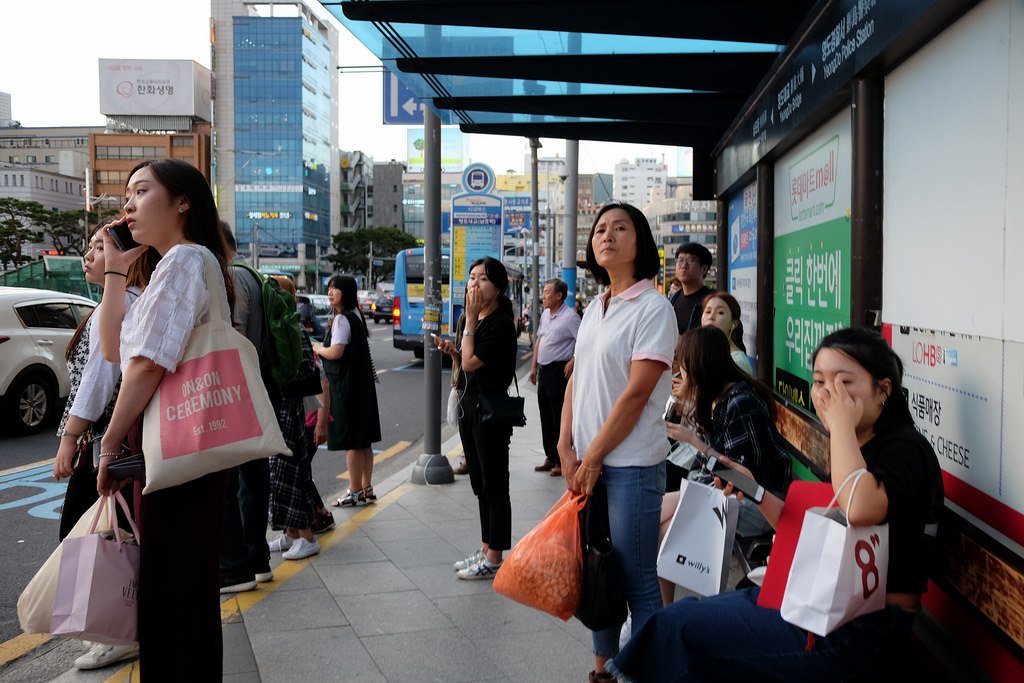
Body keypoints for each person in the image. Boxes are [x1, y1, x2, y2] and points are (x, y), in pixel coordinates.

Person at [609, 327, 945, 682]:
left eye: (845, 382)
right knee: (678, 624)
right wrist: (754, 490)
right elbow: (809, 528)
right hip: (818, 603)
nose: (829, 393)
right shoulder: (858, 444)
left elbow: (861, 508)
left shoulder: (904, 449)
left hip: (862, 631)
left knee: (681, 630)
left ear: (883, 390)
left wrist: (842, 427)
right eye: (819, 381)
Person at [95, 158, 238, 679]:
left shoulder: (184, 261)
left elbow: (147, 366)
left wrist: (109, 444)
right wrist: (115, 268)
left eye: (141, 191)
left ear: (183, 201)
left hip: (177, 448)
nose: (128, 204)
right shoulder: (174, 266)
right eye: (125, 195)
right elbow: (113, 348)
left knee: (173, 598)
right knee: (179, 592)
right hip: (176, 448)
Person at [556, 202, 676, 682]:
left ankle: (643, 672)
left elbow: (635, 396)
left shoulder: (653, 308)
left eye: (620, 228)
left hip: (630, 467)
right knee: (597, 571)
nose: (606, 235)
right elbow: (576, 380)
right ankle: (603, 670)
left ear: (639, 241)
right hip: (590, 464)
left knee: (638, 582)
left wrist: (595, 456)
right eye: (600, 229)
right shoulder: (595, 308)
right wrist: (565, 447)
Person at [52, 227, 155, 671]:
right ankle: (116, 628)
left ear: (128, 256)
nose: (89, 255)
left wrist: (71, 438)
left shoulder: (122, 303)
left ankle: (119, 631)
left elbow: (99, 379)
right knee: (109, 535)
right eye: (89, 247)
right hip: (114, 437)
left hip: (106, 440)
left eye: (101, 246)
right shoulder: (121, 302)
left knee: (96, 538)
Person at [659, 325, 791, 605]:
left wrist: (694, 440)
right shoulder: (722, 396)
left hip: (761, 504)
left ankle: (659, 614)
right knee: (657, 521)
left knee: (660, 525)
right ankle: (658, 613)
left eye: (684, 365)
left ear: (700, 366)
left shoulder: (741, 403)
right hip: (735, 495)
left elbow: (738, 478)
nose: (680, 373)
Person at [434, 257, 518, 580]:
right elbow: (465, 362)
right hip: (471, 406)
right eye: (471, 278)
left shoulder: (498, 322)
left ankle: (495, 556)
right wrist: (453, 352)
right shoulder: (476, 320)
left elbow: (471, 364)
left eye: (482, 279)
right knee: (480, 483)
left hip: (491, 411)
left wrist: (468, 324)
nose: (474, 284)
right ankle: (486, 548)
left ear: (497, 287)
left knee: (495, 483)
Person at [218, 225, 273, 593]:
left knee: (240, 482)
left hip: (240, 390)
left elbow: (232, 337)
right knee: (252, 478)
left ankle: (247, 561)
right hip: (259, 387)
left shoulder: (233, 279)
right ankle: (258, 559)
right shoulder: (253, 276)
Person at [265, 274, 334, 560]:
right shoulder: (286, 326)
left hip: (288, 412)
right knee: (282, 475)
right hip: (288, 410)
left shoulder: (289, 327)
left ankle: (306, 536)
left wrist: (319, 420)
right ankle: (290, 533)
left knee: (288, 474)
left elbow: (311, 375)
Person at [313, 275, 381, 507]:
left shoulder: (342, 319)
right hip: (362, 386)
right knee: (364, 440)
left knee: (352, 440)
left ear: (347, 292)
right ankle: (366, 487)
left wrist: (316, 347)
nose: (331, 292)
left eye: (336, 288)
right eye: (329, 288)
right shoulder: (356, 316)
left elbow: (336, 352)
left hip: (346, 387)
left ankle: (353, 491)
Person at [529, 278, 580, 477]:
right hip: (544, 371)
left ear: (559, 296)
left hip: (559, 371)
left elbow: (584, 341)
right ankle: (550, 456)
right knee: (545, 415)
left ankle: (561, 460)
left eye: (547, 292)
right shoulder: (546, 315)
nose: (544, 295)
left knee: (559, 416)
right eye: (544, 291)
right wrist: (533, 367)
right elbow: (540, 341)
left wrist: (573, 360)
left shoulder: (571, 317)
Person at [700, 290, 754, 374]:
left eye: (720, 312)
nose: (711, 317)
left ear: (734, 323)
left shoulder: (737, 362)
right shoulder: (706, 352)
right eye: (708, 311)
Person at [668, 243, 714, 335]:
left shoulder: (712, 300)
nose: (684, 265)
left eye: (691, 260)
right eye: (680, 260)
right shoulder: (673, 298)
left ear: (704, 269)